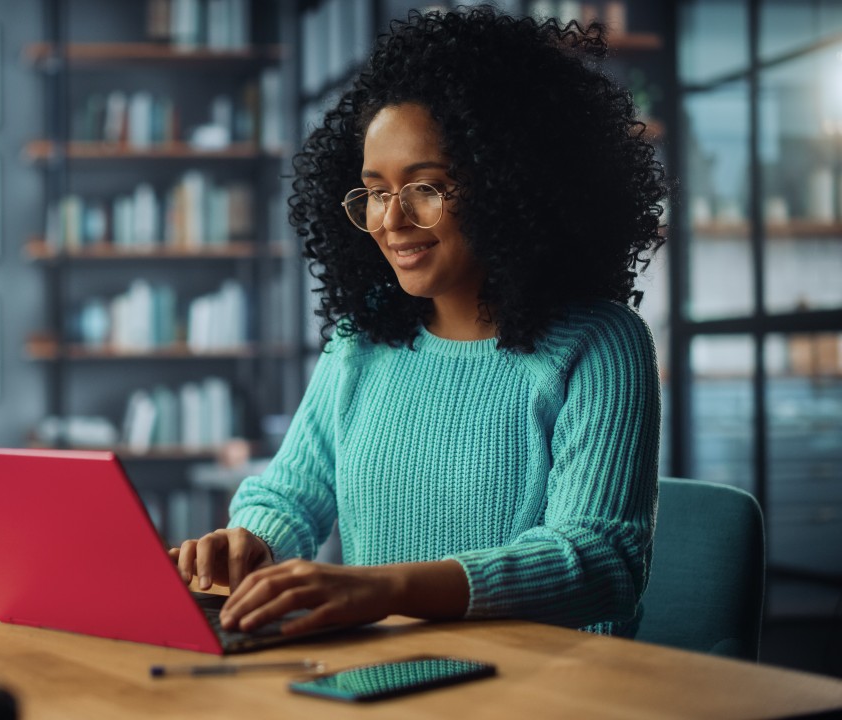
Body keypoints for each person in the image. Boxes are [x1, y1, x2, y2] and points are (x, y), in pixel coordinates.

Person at [171, 6, 668, 639]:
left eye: (425, 187)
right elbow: (289, 496)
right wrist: (251, 545)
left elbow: (600, 562)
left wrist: (381, 590)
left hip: (547, 691)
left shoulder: (599, 344)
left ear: (509, 186)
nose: (391, 220)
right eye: (376, 191)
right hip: (384, 679)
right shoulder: (362, 341)